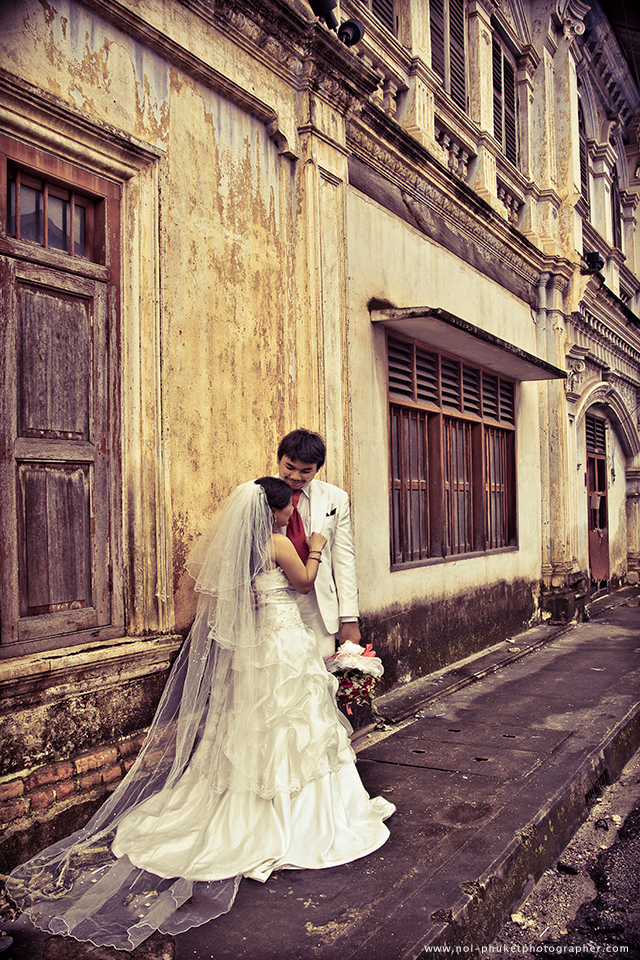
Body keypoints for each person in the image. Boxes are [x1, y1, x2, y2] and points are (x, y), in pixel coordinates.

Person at [4, 478, 394, 952]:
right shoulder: (275, 543)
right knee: (293, 722)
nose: (294, 506)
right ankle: (294, 817)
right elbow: (306, 583)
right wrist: (315, 547)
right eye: (288, 502)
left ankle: (256, 800)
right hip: (283, 644)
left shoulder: (240, 550)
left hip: (253, 652)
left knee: (255, 720)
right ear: (274, 509)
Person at [276, 429, 361, 659]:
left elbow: (344, 558)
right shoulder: (258, 493)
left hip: (319, 604)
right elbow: (244, 550)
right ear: (279, 459)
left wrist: (349, 618)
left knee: (320, 675)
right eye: (290, 467)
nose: (296, 477)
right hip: (273, 601)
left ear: (317, 468)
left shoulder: (336, 498)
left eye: (306, 471)